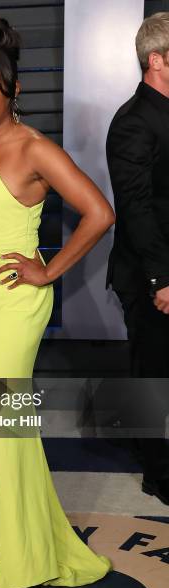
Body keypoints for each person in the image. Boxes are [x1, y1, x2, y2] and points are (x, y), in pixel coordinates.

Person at [0, 18, 115, 588]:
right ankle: (27, 536)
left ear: (13, 93)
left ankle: (34, 542)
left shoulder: (35, 148)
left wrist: (46, 268)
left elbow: (99, 212)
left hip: (16, 300)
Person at [106, 12, 169, 505]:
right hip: (150, 271)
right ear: (156, 60)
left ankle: (145, 446)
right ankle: (159, 474)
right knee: (153, 369)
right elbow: (136, 208)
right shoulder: (133, 122)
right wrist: (160, 279)